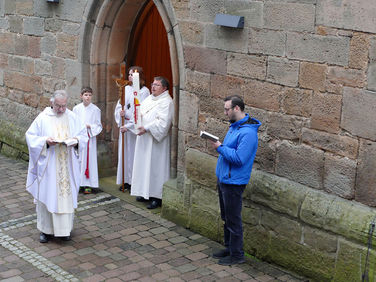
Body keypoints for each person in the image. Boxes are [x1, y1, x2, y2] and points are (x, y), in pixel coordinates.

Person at [25, 90, 88, 243]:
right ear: (52, 103)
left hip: (67, 165)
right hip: (49, 166)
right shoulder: (43, 118)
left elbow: (83, 136)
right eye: (58, 106)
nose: (61, 109)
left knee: (65, 196)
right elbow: (30, 137)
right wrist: (45, 141)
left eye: (64, 106)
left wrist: (75, 141)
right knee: (48, 194)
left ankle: (64, 231)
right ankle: (45, 231)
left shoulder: (72, 117)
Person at [210, 95, 261, 266]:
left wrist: (220, 147)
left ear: (237, 109)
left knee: (233, 220)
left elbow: (239, 158)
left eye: (227, 109)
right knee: (226, 217)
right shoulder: (234, 127)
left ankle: (237, 255)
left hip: (234, 182)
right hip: (224, 178)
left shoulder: (248, 133)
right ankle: (229, 248)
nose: (225, 112)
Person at [131, 76, 174, 209]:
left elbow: (163, 122)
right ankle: (145, 192)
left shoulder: (167, 102)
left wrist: (147, 127)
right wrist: (137, 119)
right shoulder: (149, 98)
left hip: (156, 142)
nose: (153, 87)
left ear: (164, 88)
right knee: (144, 166)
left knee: (156, 168)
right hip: (144, 139)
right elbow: (140, 111)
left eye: (157, 85)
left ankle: (156, 196)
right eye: (152, 84)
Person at [114, 66, 150, 192]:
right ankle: (126, 181)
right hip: (125, 128)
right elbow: (119, 106)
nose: (129, 77)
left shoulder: (144, 91)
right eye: (128, 74)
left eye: (132, 75)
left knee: (134, 156)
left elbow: (141, 112)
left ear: (139, 77)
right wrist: (120, 114)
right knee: (125, 156)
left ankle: (135, 182)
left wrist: (128, 125)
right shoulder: (126, 89)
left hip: (134, 130)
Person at [73, 87, 102, 194]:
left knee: (89, 161)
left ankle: (88, 184)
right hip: (80, 138)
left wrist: (90, 126)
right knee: (79, 160)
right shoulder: (76, 109)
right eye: (85, 95)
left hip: (90, 139)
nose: (88, 97)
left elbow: (98, 126)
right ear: (81, 96)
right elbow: (73, 123)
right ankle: (79, 183)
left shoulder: (95, 110)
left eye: (89, 95)